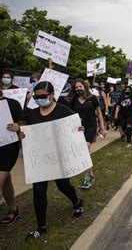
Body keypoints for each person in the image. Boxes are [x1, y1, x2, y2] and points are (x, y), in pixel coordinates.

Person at [20, 81, 84, 240]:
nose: (39, 99)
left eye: (42, 96)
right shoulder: (33, 114)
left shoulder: (64, 111)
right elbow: (27, 131)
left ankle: (77, 202)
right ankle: (41, 227)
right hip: (40, 159)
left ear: (52, 95)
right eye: (36, 97)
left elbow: (75, 125)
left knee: (63, 185)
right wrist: (22, 134)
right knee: (38, 190)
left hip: (60, 157)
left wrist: (79, 129)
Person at [67, 79, 106, 189]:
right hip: (79, 129)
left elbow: (99, 113)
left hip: (91, 127)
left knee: (84, 150)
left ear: (85, 86)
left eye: (80, 86)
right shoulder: (73, 100)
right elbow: (70, 115)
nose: (78, 89)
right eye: (76, 87)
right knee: (86, 152)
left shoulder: (93, 98)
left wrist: (102, 127)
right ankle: (91, 174)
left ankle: (86, 178)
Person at [0, 89, 24, 226]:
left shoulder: (12, 104)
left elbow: (25, 124)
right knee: (5, 179)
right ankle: (13, 210)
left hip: (7, 149)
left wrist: (19, 127)